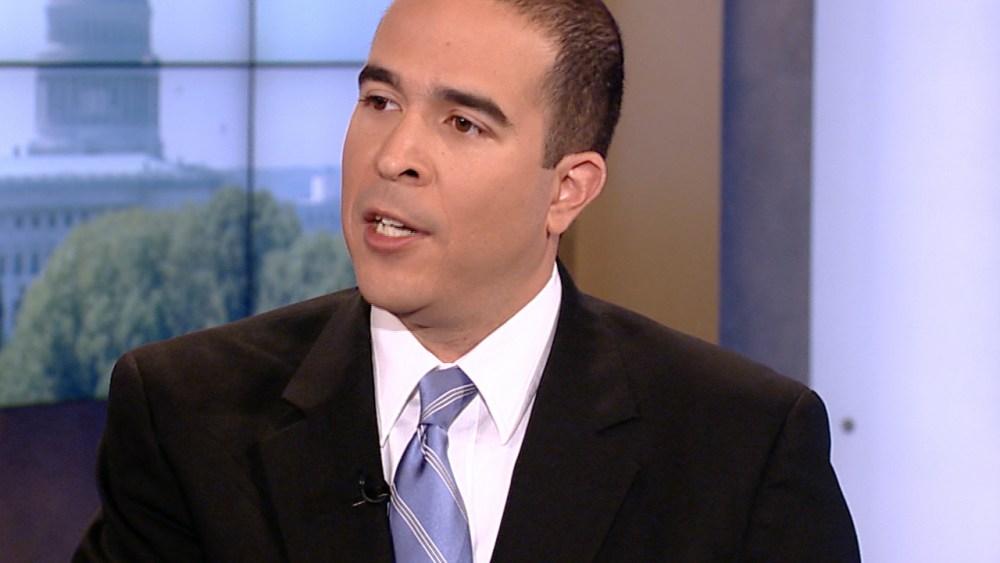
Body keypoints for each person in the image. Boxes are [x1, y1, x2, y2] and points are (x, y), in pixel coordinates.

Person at [75, 0, 860, 561]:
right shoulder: (185, 414)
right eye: (380, 100)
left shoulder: (742, 446)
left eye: (463, 123)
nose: (393, 155)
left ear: (568, 189)